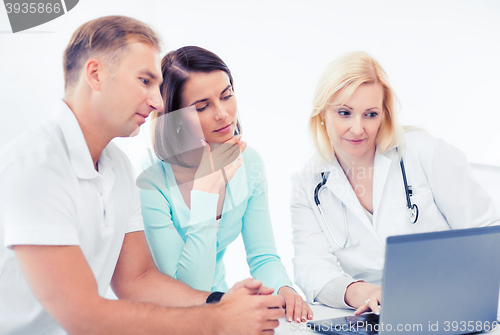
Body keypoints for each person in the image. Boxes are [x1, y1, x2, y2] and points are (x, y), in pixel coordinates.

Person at [0, 16, 285, 335]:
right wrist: (219, 320)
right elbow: (82, 316)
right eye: (145, 81)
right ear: (95, 75)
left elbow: (139, 281)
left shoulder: (118, 167)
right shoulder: (36, 166)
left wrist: (222, 301)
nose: (158, 101)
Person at [290, 51, 500, 316]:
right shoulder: (307, 184)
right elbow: (310, 266)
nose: (358, 128)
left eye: (370, 114)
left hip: (450, 305)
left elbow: (486, 233)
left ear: (384, 114)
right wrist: (360, 292)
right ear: (322, 114)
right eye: (344, 113)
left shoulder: (425, 153)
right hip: (375, 315)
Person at [137, 46, 312, 323]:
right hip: (168, 320)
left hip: (221, 311)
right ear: (176, 119)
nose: (223, 114)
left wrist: (285, 289)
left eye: (227, 95)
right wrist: (206, 193)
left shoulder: (250, 162)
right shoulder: (151, 185)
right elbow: (188, 292)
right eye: (202, 107)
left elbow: (263, 255)